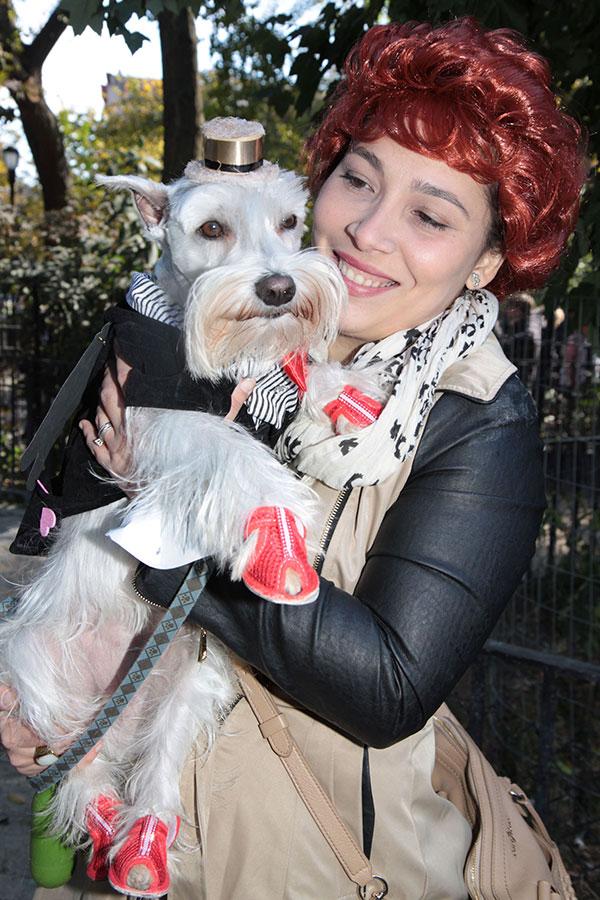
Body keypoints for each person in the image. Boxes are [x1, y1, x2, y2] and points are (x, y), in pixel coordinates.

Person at [1, 16, 585, 899]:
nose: (368, 231)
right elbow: (59, 543)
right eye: (358, 180)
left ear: (486, 261)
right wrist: (40, 719)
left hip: (318, 869)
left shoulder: (474, 424)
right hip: (132, 856)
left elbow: (387, 689)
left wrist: (170, 511)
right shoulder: (230, 333)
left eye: (430, 215)